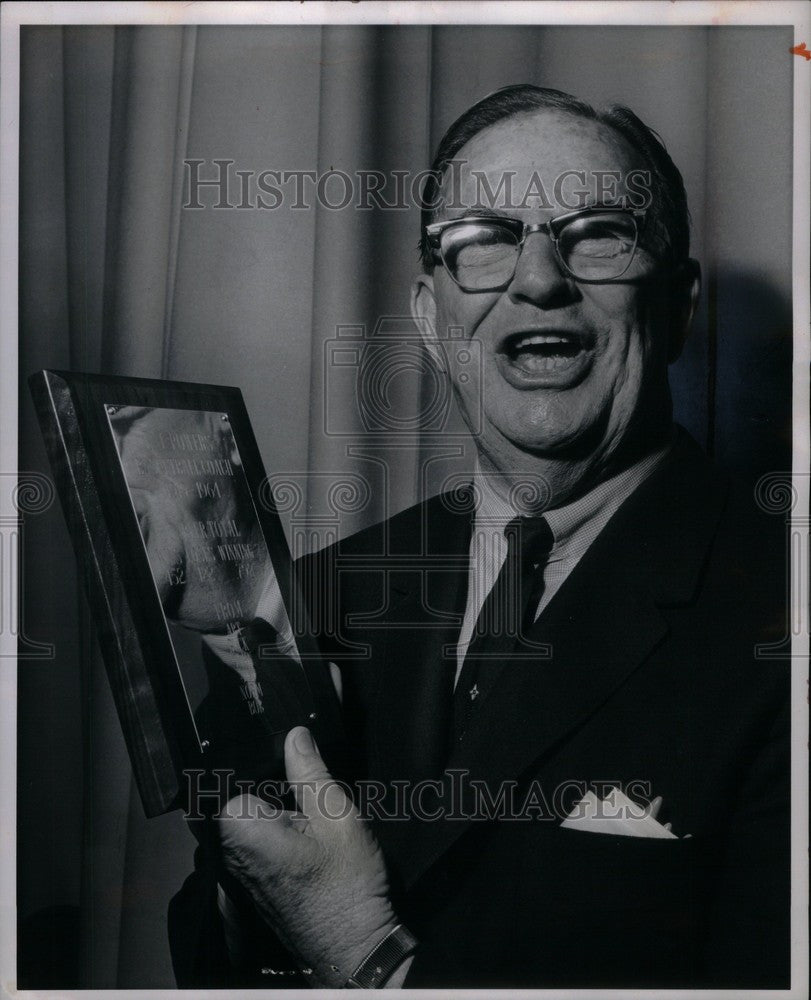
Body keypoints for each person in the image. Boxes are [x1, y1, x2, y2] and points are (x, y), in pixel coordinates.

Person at [168, 85, 790, 989]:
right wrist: (251, 892)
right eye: (484, 241)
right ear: (431, 318)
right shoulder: (316, 597)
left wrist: (361, 953)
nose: (538, 278)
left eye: (597, 232)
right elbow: (207, 953)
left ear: (679, 307)